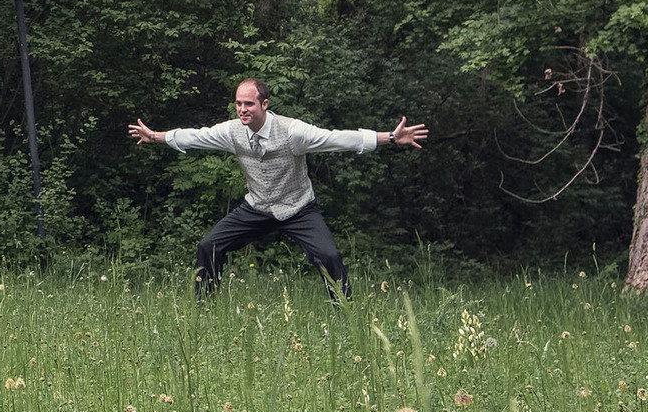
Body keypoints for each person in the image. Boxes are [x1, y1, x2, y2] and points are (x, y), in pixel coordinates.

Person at [127, 77, 427, 297]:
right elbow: (194, 137)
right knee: (208, 246)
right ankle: (203, 307)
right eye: (238, 103)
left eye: (248, 104)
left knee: (331, 258)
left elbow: (337, 139)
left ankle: (345, 312)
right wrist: (154, 136)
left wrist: (389, 137)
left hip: (298, 207)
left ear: (264, 104)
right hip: (257, 207)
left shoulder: (293, 132)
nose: (242, 109)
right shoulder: (232, 131)